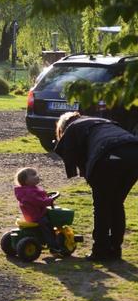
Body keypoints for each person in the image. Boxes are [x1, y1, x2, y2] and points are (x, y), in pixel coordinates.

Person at [54, 112, 138, 261]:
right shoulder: (104, 121)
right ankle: (115, 249)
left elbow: (68, 153)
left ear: (63, 127)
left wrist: (88, 176)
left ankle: (100, 251)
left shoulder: (73, 127)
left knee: (102, 206)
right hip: (133, 153)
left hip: (108, 154)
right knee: (116, 203)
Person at [13, 167, 64, 255]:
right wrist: (49, 201)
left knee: (47, 222)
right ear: (25, 180)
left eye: (36, 174)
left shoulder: (28, 190)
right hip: (37, 215)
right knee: (48, 227)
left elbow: (38, 199)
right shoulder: (29, 192)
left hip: (34, 213)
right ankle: (53, 246)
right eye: (33, 175)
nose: (37, 176)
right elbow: (38, 201)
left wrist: (46, 197)